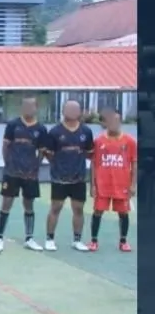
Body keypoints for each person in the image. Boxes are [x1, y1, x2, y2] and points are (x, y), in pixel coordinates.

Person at [0, 96, 48, 252]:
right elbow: (5, 146)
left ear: (36, 108)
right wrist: (8, 164)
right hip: (12, 172)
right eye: (25, 106)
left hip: (30, 174)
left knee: (29, 204)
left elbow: (42, 152)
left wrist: (35, 167)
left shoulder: (41, 129)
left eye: (31, 106)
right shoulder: (13, 125)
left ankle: (29, 238)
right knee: (6, 203)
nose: (28, 109)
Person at [43, 100, 93, 252]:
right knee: (55, 208)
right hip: (59, 178)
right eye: (69, 109)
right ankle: (50, 239)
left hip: (79, 178)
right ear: (63, 111)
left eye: (75, 109)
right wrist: (59, 166)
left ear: (80, 112)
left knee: (78, 209)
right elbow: (48, 154)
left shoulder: (86, 131)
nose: (72, 111)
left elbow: (89, 153)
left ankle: (77, 240)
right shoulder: (55, 132)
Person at [89, 108, 135, 252]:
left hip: (122, 184)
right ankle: (94, 241)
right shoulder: (98, 141)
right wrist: (92, 185)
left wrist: (133, 184)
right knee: (98, 211)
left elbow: (134, 163)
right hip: (102, 184)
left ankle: (123, 241)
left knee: (123, 213)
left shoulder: (130, 141)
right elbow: (93, 164)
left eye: (116, 121)